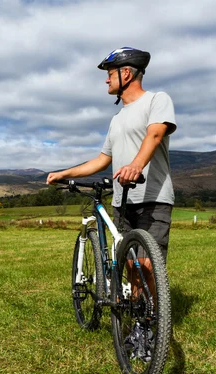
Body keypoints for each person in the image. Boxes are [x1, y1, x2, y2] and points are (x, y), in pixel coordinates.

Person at [46, 46, 177, 264]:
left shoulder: (157, 100)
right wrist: (64, 173)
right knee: (131, 266)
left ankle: (153, 300)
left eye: (109, 74)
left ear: (126, 73)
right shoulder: (116, 119)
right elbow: (101, 160)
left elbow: (155, 135)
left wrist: (135, 166)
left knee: (147, 266)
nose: (107, 81)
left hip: (153, 198)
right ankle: (136, 300)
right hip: (122, 202)